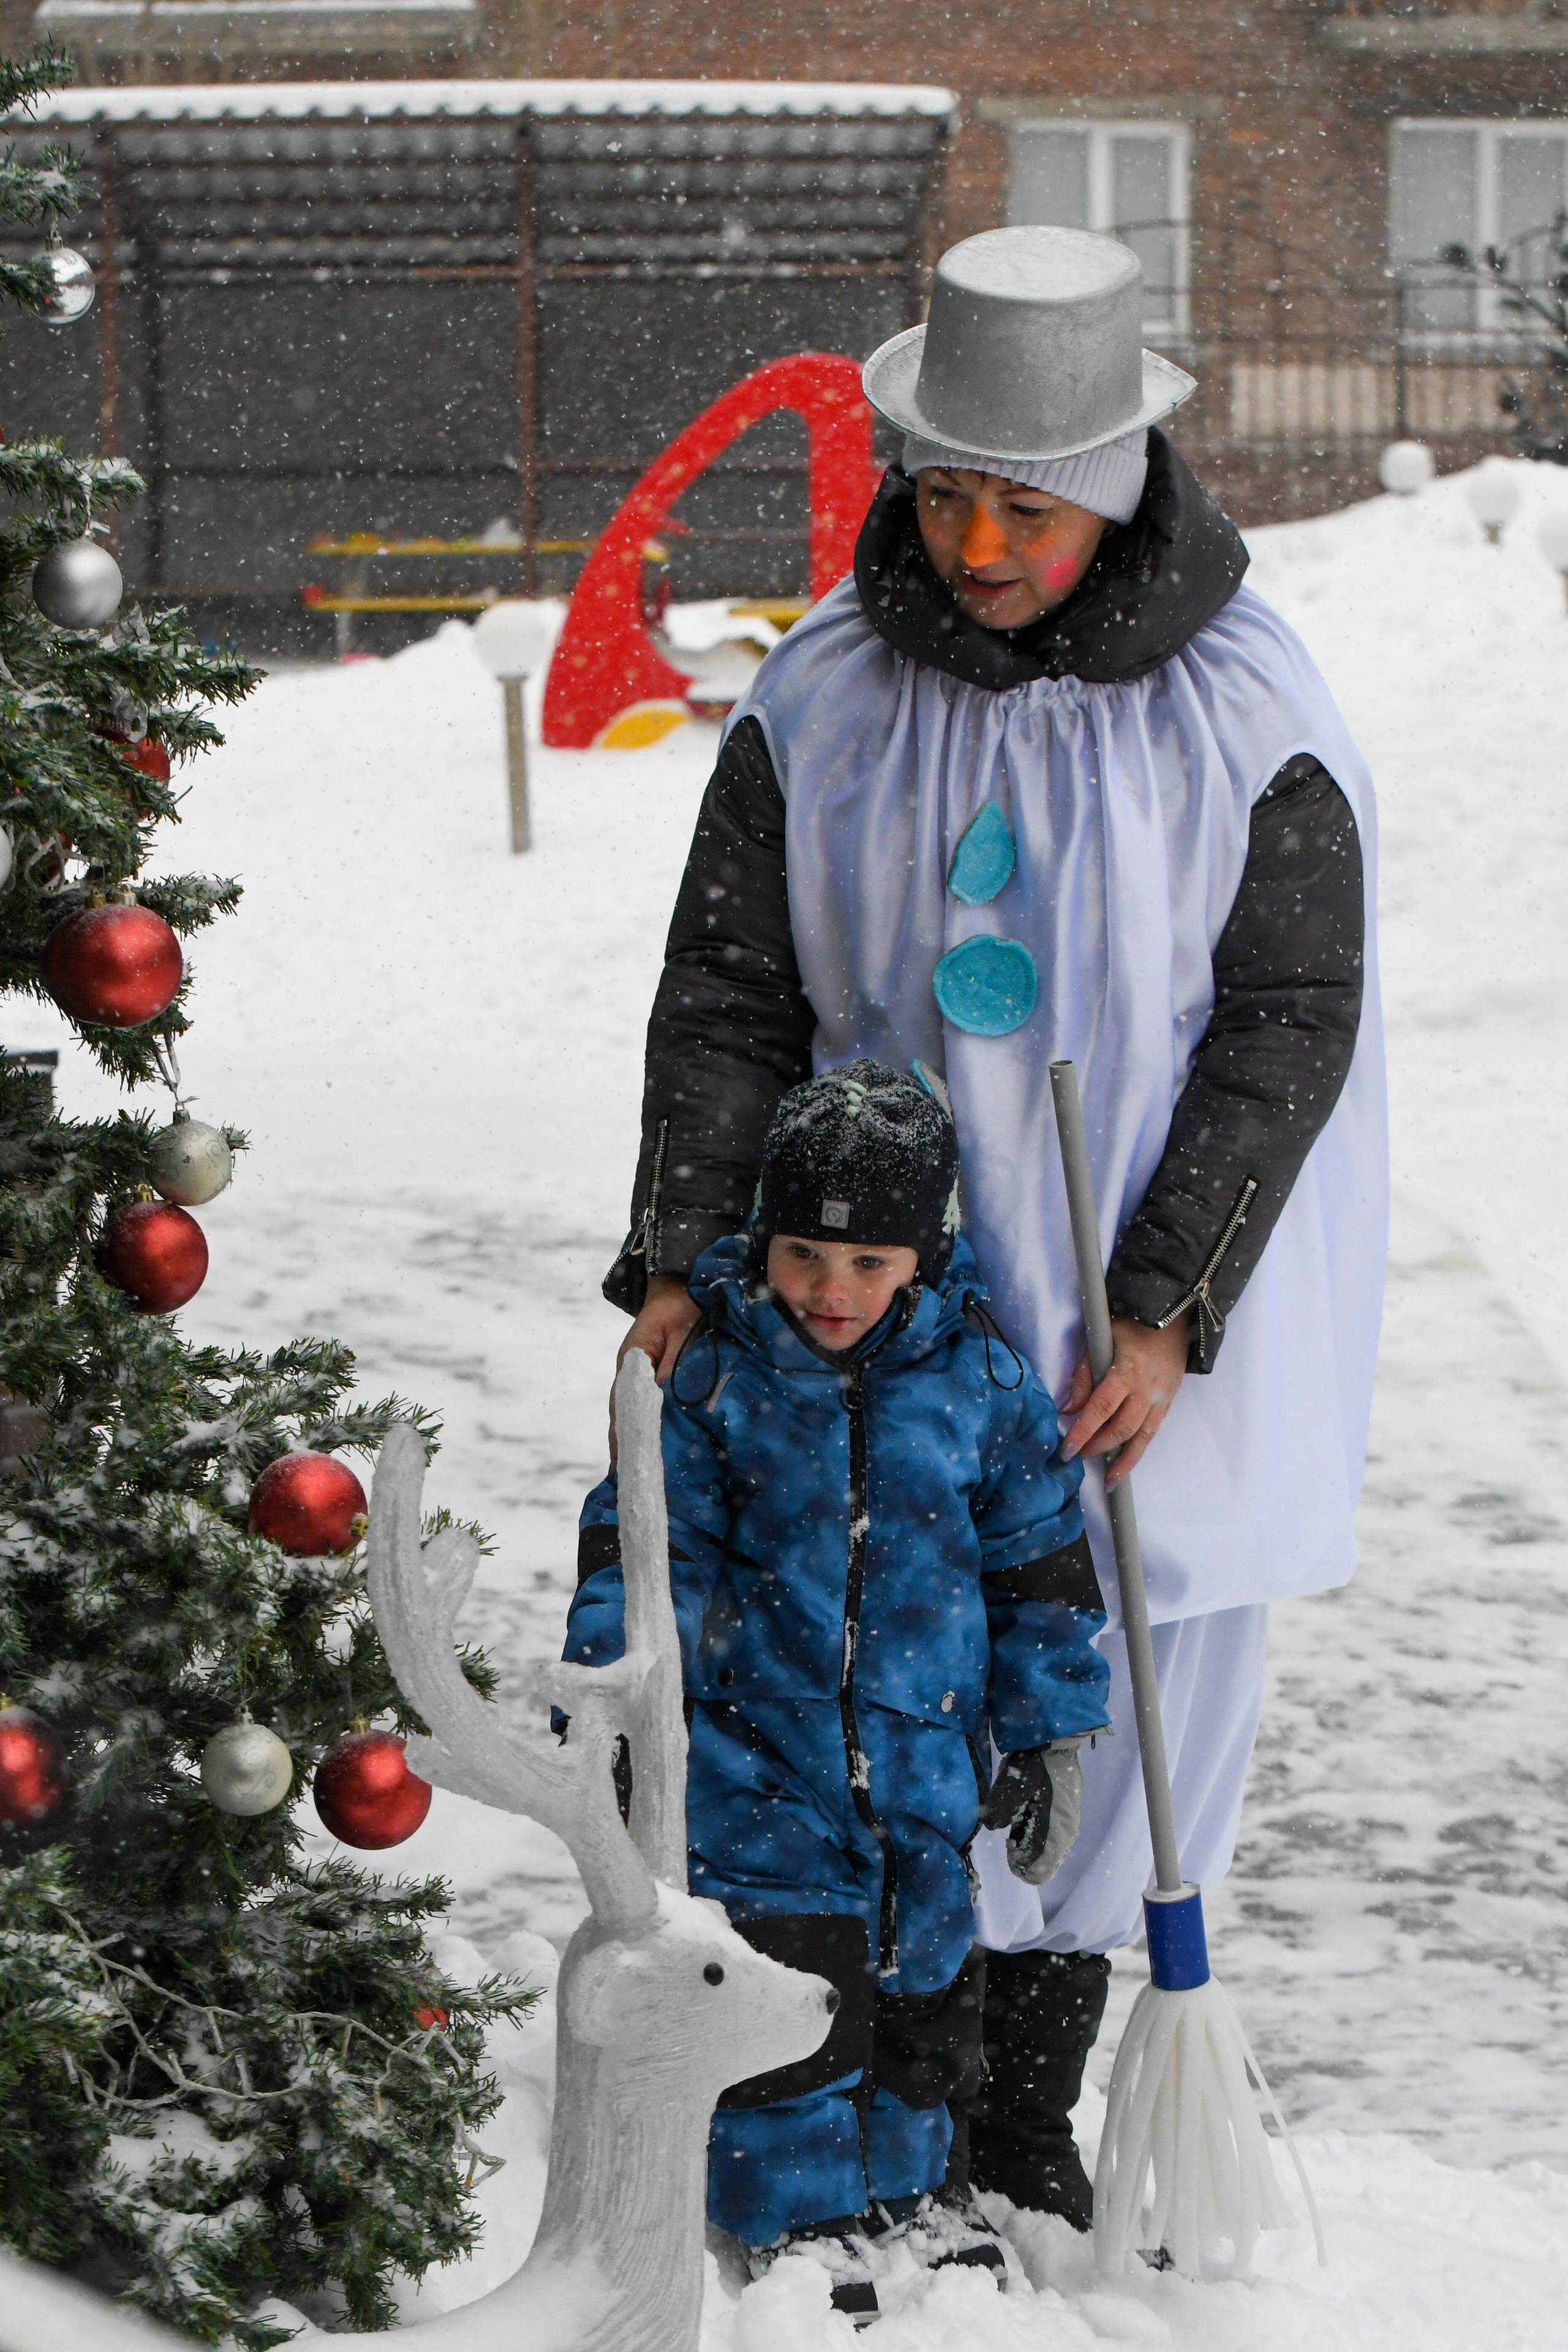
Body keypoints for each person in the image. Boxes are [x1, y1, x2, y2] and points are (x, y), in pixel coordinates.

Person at [603, 222, 1385, 2231]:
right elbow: (730, 997)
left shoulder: (1247, 716)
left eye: (1018, 503)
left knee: (1107, 1708)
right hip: (874, 1314)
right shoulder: (826, 697)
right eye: (941, 490)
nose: (970, 537)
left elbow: (1288, 1024)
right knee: (873, 1679)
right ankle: (886, 2099)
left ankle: (1027, 2114)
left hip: (1131, 1333)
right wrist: (689, 1251)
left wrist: (1168, 1306)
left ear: (1114, 489)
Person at [567, 1061, 1111, 2319]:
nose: (829, 1290)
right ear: (764, 1239)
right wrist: (610, 1703)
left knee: (921, 1990)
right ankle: (799, 2208)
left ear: (925, 1255)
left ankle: (911, 2194)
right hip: (759, 1760)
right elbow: (643, 1551)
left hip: (923, 1763)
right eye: (805, 1252)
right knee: (789, 1985)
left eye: (869, 1263)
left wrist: (1046, 1736)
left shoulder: (981, 1389)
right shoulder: (714, 1381)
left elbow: (1037, 1571)